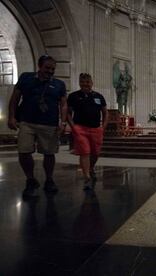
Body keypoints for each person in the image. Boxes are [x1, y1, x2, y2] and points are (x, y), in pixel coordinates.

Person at [7, 55, 67, 198]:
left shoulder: (59, 84)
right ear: (39, 66)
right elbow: (15, 98)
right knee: (24, 151)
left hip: (49, 123)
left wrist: (63, 122)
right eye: (47, 68)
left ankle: (49, 179)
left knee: (49, 153)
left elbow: (63, 104)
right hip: (27, 122)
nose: (50, 71)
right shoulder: (26, 78)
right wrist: (11, 117)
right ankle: (30, 179)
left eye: (53, 69)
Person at [67, 73, 108, 190]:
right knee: (85, 151)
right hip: (80, 128)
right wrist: (72, 126)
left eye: (87, 82)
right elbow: (68, 112)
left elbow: (105, 112)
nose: (85, 84)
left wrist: (103, 126)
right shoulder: (73, 96)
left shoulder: (99, 97)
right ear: (80, 83)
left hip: (96, 128)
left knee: (95, 153)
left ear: (91, 83)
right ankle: (87, 177)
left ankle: (90, 168)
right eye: (83, 82)